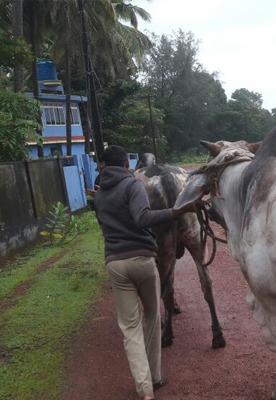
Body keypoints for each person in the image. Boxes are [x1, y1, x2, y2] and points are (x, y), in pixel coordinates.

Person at [94, 145, 185, 400]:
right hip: (142, 260)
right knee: (152, 318)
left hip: (115, 264)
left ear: (103, 166)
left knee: (129, 328)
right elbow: (143, 218)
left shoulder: (99, 195)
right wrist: (176, 211)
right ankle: (155, 378)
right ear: (126, 165)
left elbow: (103, 224)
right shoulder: (133, 185)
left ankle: (144, 389)